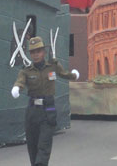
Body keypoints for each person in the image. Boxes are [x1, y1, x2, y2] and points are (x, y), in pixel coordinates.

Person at [11, 36, 79, 166]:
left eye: (38, 51)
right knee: (33, 147)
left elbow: (64, 74)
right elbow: (20, 81)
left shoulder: (52, 66)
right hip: (32, 112)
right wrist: (16, 88)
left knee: (44, 146)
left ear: (44, 52)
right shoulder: (26, 70)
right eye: (33, 52)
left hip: (48, 110)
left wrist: (75, 75)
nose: (36, 55)